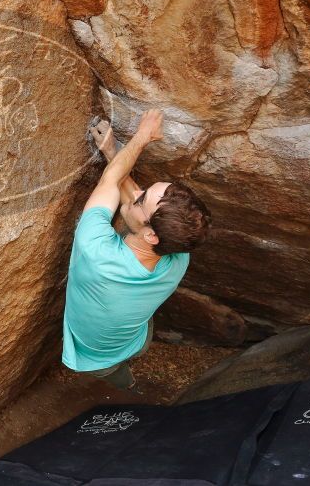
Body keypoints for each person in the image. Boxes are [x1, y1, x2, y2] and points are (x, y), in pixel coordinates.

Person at [62, 109, 212, 392]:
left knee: (111, 370)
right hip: (137, 339)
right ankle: (129, 375)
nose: (137, 192)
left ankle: (126, 383)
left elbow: (111, 182)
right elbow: (130, 196)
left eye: (143, 198)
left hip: (97, 357)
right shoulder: (179, 254)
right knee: (132, 342)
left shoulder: (97, 252)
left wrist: (142, 137)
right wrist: (111, 152)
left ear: (152, 235)